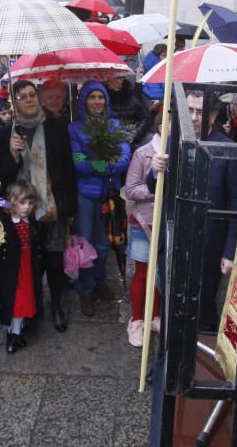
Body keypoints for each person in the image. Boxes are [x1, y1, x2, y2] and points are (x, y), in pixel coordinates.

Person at [0, 80, 77, 332]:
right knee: (28, 260)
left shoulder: (56, 126)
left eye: (33, 95)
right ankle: (30, 309)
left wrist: (69, 206)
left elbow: (68, 166)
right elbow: (0, 176)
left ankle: (55, 305)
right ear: (14, 101)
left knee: (54, 258)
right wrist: (12, 155)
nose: (29, 99)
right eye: (23, 97)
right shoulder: (6, 132)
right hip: (21, 209)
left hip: (52, 205)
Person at [184, 89, 237, 331]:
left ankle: (202, 351)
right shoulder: (176, 139)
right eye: (189, 110)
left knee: (204, 302)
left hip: (211, 243)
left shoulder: (228, 149)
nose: (194, 117)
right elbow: (154, 186)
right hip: (179, 235)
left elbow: (236, 205)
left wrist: (230, 251)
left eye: (200, 112)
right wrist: (155, 169)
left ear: (213, 115)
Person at [68, 80, 131, 316]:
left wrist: (108, 167)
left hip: (110, 195)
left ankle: (100, 279)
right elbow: (77, 162)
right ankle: (85, 289)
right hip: (85, 195)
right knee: (85, 243)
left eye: (100, 97)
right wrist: (97, 164)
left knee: (106, 243)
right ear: (84, 101)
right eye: (92, 97)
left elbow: (125, 156)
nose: (97, 101)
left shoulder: (115, 126)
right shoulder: (75, 129)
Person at [123, 106, 165, 346]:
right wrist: (153, 189)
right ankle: (137, 319)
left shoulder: (179, 152)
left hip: (166, 222)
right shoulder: (143, 154)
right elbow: (131, 190)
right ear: (161, 127)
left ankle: (155, 315)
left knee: (160, 271)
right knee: (143, 271)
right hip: (144, 222)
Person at [0, 180, 44, 354]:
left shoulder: (30, 221)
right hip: (13, 269)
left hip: (27, 266)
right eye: (22, 203)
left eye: (30, 203)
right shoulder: (6, 221)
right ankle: (13, 334)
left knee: (25, 299)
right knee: (17, 301)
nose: (27, 207)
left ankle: (16, 332)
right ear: (12, 202)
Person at [104, 75, 150, 147]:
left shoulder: (129, 96)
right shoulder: (99, 97)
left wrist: (134, 135)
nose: (120, 81)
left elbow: (145, 117)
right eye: (116, 77)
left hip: (130, 139)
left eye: (122, 77)